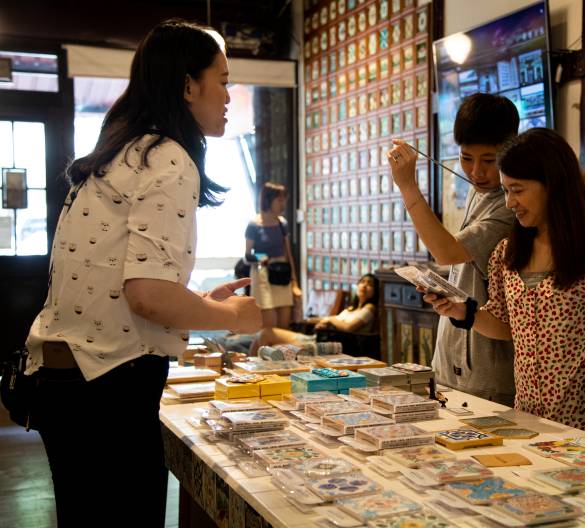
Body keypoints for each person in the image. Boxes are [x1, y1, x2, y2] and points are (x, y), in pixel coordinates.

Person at [23, 20, 262, 526]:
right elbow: (147, 296)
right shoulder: (168, 157)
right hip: (106, 389)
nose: (228, 93)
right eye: (221, 79)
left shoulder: (123, 152)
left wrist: (195, 301)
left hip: (66, 382)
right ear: (187, 85)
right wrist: (229, 316)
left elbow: (121, 278)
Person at [423, 128, 585, 430]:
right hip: (528, 419)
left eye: (518, 190)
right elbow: (507, 325)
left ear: (553, 185)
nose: (510, 202)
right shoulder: (507, 253)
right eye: (506, 190)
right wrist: (462, 311)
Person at [387, 93, 518, 406]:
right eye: (465, 158)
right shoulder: (481, 193)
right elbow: (459, 260)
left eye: (489, 160)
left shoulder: (508, 204)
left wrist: (407, 186)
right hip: (454, 362)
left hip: (487, 373)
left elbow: (447, 252)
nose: (476, 172)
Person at [251, 274, 379, 350]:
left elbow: (349, 327)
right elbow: (335, 319)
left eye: (370, 284)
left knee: (266, 336)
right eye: (362, 282)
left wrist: (329, 321)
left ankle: (256, 375)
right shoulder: (351, 309)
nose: (364, 286)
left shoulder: (369, 308)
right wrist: (310, 320)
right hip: (320, 338)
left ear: (375, 291)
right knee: (263, 335)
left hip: (332, 344)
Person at [245, 182, 301, 329]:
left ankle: (284, 353)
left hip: (282, 273)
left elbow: (288, 253)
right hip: (262, 273)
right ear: (268, 200)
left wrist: (294, 282)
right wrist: (261, 257)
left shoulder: (282, 223)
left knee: (284, 324)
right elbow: (247, 256)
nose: (283, 204)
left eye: (284, 200)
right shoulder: (254, 224)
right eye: (280, 200)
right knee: (269, 325)